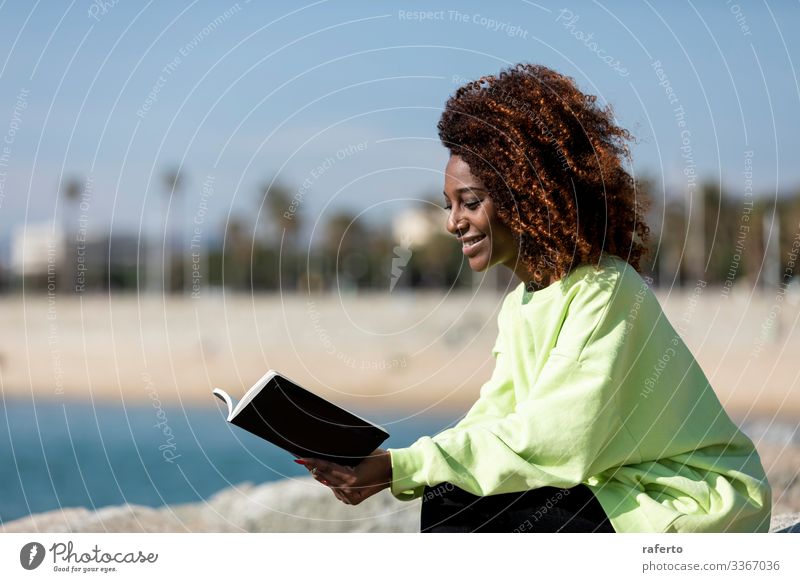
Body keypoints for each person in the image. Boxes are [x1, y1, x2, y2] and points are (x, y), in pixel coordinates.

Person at [296, 63, 771, 533]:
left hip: (691, 499)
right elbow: (496, 418)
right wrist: (392, 466)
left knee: (466, 508)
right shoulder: (523, 304)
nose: (453, 222)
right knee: (451, 495)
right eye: (449, 205)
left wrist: (402, 467)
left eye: (470, 202)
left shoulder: (604, 292)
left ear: (526, 195)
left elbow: (559, 439)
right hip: (619, 486)